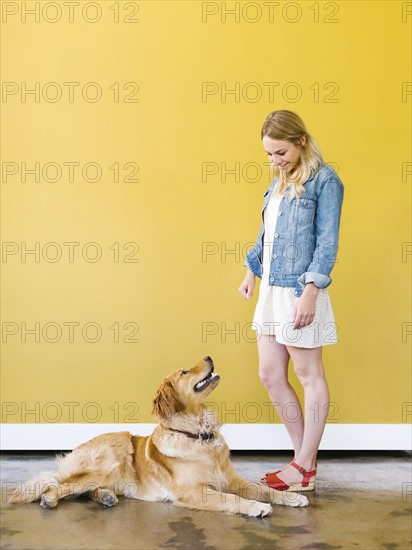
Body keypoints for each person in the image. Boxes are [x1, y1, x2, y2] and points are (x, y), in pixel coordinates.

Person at [238, 110, 344, 491]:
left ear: (301, 141)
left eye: (280, 153)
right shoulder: (280, 180)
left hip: (300, 290)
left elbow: (327, 242)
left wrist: (311, 293)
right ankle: (305, 462)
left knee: (308, 375)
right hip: (271, 289)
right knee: (269, 374)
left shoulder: (326, 180)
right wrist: (252, 270)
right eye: (268, 154)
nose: (274, 161)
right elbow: (268, 233)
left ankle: (302, 467)